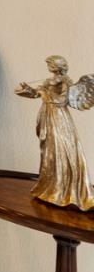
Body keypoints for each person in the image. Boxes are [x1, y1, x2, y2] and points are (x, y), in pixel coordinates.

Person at [17, 55, 94, 210]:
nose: (48, 65)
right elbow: (36, 94)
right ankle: (51, 187)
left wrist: (45, 94)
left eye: (50, 63)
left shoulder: (65, 82)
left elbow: (61, 101)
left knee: (61, 149)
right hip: (48, 114)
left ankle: (65, 190)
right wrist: (28, 90)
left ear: (58, 66)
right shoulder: (48, 81)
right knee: (49, 151)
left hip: (59, 118)